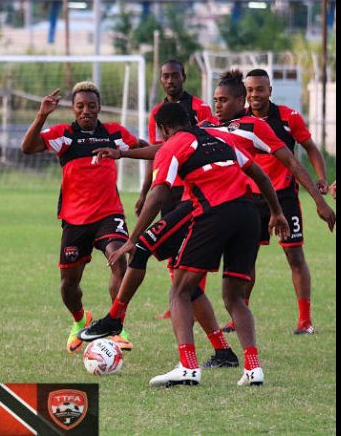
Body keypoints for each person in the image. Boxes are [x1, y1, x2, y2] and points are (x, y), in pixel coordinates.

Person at [87, 102, 289, 387]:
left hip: (213, 215)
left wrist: (131, 240)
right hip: (249, 214)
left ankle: (188, 367)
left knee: (180, 291)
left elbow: (158, 195)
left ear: (165, 129)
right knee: (234, 297)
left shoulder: (172, 145)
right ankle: (253, 368)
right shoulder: (223, 137)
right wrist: (277, 212)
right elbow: (260, 174)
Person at [21, 81, 145, 354]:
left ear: (99, 107)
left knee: (119, 260)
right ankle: (80, 321)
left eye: (91, 106)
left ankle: (116, 326)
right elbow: (27, 148)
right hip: (75, 220)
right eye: (80, 106)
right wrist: (42, 115)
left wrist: (149, 183)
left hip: (108, 214)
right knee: (68, 285)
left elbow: (149, 149)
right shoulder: (63, 135)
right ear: (74, 109)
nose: (86, 111)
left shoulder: (114, 133)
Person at [218, 68, 335, 335]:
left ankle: (305, 320)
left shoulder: (288, 118)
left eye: (260, 89)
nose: (255, 95)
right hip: (250, 198)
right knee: (247, 259)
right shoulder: (239, 121)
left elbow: (309, 150)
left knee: (294, 255)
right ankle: (239, 315)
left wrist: (321, 181)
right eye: (249, 90)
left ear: (270, 90)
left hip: (284, 195)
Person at [141, 60, 215, 320]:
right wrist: (144, 192)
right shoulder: (157, 112)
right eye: (165, 76)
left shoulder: (200, 107)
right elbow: (156, 152)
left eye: (174, 75)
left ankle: (191, 298)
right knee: (172, 246)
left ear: (184, 76)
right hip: (169, 187)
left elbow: (212, 137)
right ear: (160, 79)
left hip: (196, 187)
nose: (170, 80)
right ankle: (179, 299)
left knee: (194, 245)